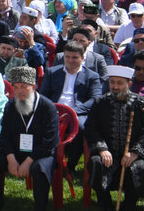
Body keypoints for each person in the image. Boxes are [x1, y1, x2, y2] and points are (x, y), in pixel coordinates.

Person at [84, 65, 144, 211]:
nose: (115, 87)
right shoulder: (100, 103)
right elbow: (91, 128)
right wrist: (102, 149)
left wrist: (135, 153)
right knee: (96, 163)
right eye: (112, 82)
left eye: (120, 83)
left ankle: (129, 207)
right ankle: (106, 206)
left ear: (129, 84)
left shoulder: (142, 105)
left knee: (139, 168)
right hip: (108, 153)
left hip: (132, 155)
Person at [0, 65, 59, 211]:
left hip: (40, 154)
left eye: (24, 87)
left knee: (40, 169)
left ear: (33, 87)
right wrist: (11, 159)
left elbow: (49, 141)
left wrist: (28, 162)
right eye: (16, 87)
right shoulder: (11, 105)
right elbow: (4, 136)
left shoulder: (47, 107)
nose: (19, 91)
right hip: (16, 152)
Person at [39, 41, 102, 172]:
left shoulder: (92, 76)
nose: (70, 60)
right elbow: (43, 95)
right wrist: (52, 110)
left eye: (74, 57)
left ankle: (70, 165)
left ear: (82, 58)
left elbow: (95, 99)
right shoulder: (52, 72)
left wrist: (73, 111)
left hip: (77, 112)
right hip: (54, 111)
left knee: (80, 128)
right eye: (67, 57)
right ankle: (47, 161)